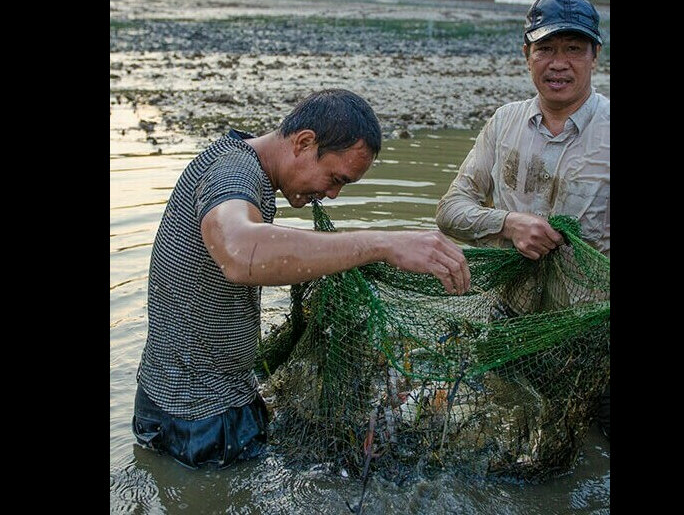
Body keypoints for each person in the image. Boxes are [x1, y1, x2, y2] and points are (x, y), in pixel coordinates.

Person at [133, 89, 471, 468]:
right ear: (304, 142)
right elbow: (240, 252)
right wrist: (384, 244)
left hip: (190, 397)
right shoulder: (233, 170)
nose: (333, 195)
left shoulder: (242, 166)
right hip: (197, 415)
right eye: (334, 178)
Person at [435, 0, 609, 439]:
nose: (559, 63)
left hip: (590, 328)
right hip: (512, 319)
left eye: (573, 49)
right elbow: (451, 211)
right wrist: (508, 224)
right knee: (509, 426)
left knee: (592, 438)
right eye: (546, 48)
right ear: (526, 53)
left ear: (595, 56)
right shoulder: (504, 122)